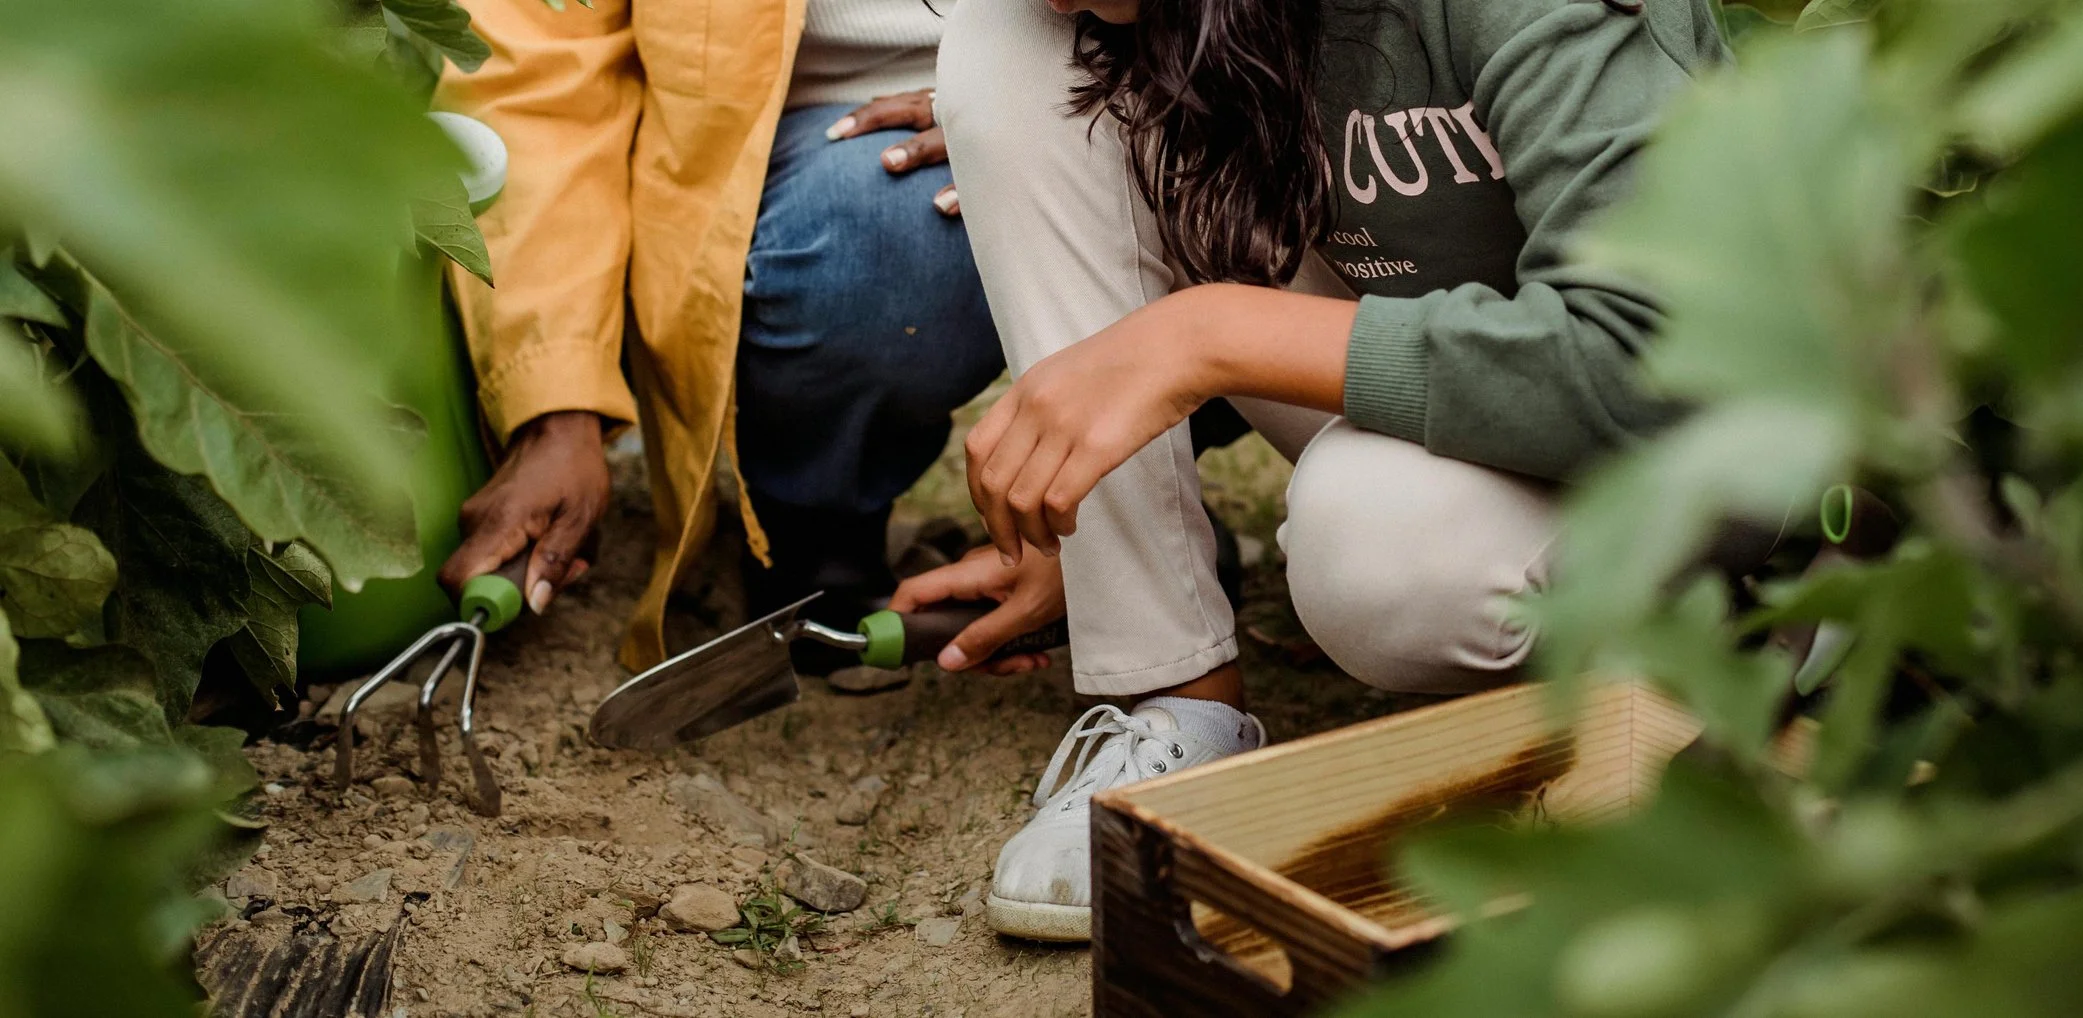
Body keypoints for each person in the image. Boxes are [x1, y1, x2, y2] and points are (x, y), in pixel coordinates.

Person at [911, 0, 1725, 940]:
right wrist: (1087, 510)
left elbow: (1651, 361)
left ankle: (1719, 639)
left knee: (1374, 550)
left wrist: (1210, 336)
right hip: (1430, 373)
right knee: (1008, 47)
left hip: (1691, 450)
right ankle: (1174, 699)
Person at [433, 0, 1004, 672]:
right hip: (786, 139)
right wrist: (554, 410)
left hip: (1108, 96)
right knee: (884, 241)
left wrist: (1029, 107)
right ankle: (813, 543)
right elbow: (535, 76)